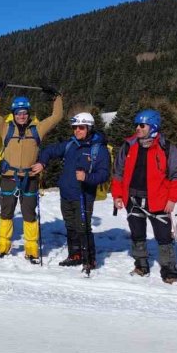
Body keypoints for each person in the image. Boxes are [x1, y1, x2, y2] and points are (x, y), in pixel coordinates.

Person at [0, 82, 63, 261]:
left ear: (28, 114)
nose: (22, 116)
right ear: (13, 115)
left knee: (29, 214)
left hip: (30, 178)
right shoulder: (6, 128)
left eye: (24, 113)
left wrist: (56, 97)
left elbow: (57, 116)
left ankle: (31, 249)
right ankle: (3, 246)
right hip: (9, 177)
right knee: (6, 212)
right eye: (18, 113)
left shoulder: (37, 129)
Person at [111, 109, 177, 284]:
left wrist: (172, 199)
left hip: (159, 200)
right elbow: (118, 173)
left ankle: (169, 272)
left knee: (164, 238)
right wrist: (118, 195)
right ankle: (141, 265)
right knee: (137, 234)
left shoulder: (167, 148)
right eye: (136, 124)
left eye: (141, 125)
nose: (137, 128)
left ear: (152, 126)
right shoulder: (129, 145)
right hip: (133, 199)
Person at [31, 112, 110, 269]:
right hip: (66, 194)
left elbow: (104, 174)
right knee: (70, 226)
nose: (77, 131)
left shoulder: (99, 150)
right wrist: (42, 163)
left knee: (83, 227)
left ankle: (90, 259)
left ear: (89, 128)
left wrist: (86, 177)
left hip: (84, 195)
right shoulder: (71, 144)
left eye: (81, 128)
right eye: (75, 128)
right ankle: (75, 254)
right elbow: (49, 151)